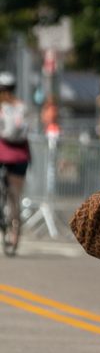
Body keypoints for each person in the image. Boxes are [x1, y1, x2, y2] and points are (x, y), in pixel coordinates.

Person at [0, 72, 30, 251]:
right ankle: (15, 234)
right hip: (19, 155)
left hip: (2, 153)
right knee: (15, 197)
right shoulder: (22, 107)